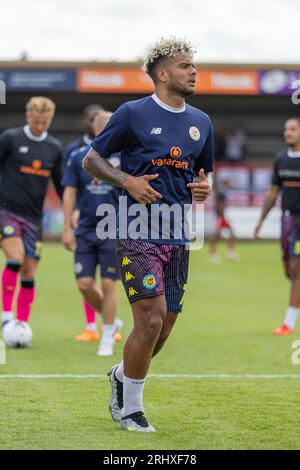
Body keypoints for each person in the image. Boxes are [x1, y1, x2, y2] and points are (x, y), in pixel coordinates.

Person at [83, 37, 213, 432]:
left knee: (167, 322)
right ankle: (131, 409)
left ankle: (123, 374)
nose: (193, 71)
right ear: (161, 73)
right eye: (185, 65)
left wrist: (203, 190)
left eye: (194, 65)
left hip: (178, 232)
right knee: (151, 320)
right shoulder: (131, 113)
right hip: (135, 228)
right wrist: (128, 181)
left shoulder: (202, 122)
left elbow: (202, 178)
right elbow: (93, 159)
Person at [62, 111, 122, 356]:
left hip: (113, 230)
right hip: (85, 229)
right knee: (85, 284)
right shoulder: (78, 158)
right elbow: (69, 192)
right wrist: (67, 226)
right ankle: (112, 319)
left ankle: (107, 335)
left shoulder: (124, 158)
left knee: (109, 284)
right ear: (98, 131)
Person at [0, 96, 62, 328]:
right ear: (28, 117)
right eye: (36, 121)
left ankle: (22, 323)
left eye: (44, 122)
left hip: (34, 219)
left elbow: (61, 184)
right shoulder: (11, 138)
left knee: (28, 272)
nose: (40, 126)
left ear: (50, 119)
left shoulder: (54, 147)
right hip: (6, 211)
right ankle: (6, 315)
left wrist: (71, 212)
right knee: (15, 259)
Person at [254, 117, 300, 336]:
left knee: (297, 269)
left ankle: (288, 324)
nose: (287, 133)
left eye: (292, 129)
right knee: (288, 271)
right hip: (287, 221)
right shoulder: (280, 159)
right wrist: (261, 220)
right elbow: (273, 192)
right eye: (285, 129)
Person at [64, 104, 105, 339]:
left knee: (107, 281)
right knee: (86, 279)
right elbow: (68, 187)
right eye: (91, 118)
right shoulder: (74, 150)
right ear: (85, 122)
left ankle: (108, 323)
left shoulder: (116, 150)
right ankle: (91, 325)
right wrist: (71, 217)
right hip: (85, 220)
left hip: (110, 224)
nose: (94, 122)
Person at [209, 179, 239, 263]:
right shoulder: (222, 192)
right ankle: (213, 254)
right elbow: (219, 205)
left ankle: (229, 252)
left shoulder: (222, 191)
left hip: (221, 216)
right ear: (226, 183)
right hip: (220, 216)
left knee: (228, 234)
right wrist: (222, 216)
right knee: (217, 236)